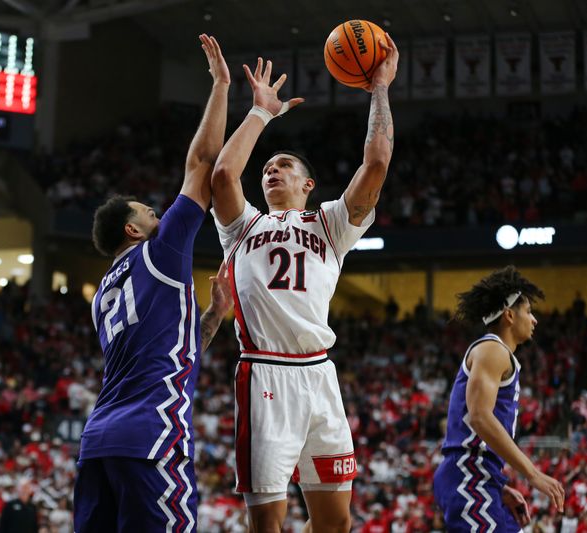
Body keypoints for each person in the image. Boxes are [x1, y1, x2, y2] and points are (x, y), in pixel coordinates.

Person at [210, 34, 400, 531]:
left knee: (335, 524)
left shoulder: (332, 225)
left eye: (284, 167)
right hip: (265, 375)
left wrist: (379, 87)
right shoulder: (242, 226)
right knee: (267, 525)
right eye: (268, 169)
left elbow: (377, 162)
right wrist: (260, 114)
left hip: (320, 377)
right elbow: (224, 176)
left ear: (308, 184)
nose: (271, 171)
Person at [73, 34, 233, 532]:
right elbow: (202, 166)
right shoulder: (159, 252)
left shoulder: (101, 295)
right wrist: (222, 85)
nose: (160, 213)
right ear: (132, 229)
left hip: (98, 442)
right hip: (149, 437)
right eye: (148, 211)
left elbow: (163, 351)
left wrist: (211, 319)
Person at [433, 266, 565, 532]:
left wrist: (500, 486)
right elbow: (479, 416)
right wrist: (533, 474)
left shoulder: (496, 352)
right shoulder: (493, 349)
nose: (534, 319)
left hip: (480, 477)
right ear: (509, 315)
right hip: (468, 473)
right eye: (528, 311)